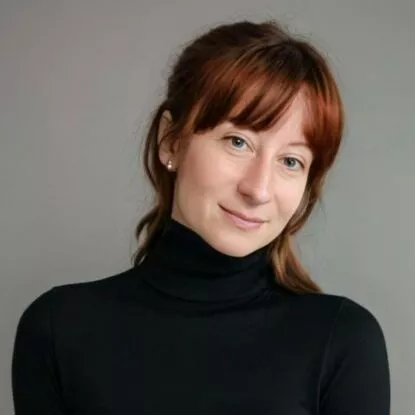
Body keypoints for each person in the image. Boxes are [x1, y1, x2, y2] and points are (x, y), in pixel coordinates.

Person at [11, 19, 390, 414]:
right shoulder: (58, 330)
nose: (258, 189)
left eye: (291, 161)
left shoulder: (342, 343)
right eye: (238, 142)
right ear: (171, 141)